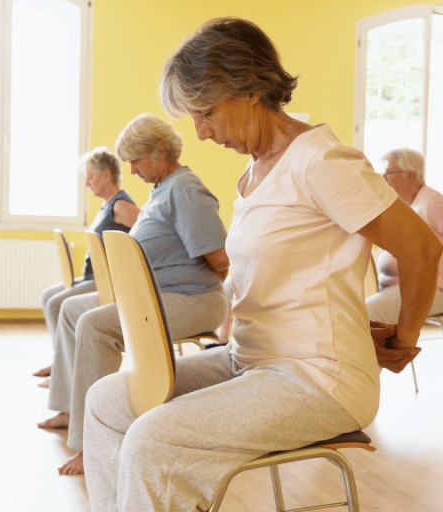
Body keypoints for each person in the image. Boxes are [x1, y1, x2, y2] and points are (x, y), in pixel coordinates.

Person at [82, 18, 442, 512]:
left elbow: (421, 247)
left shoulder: (322, 161)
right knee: (104, 402)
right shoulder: (252, 174)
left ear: (247, 88)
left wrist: (402, 339)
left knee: (154, 440)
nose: (202, 134)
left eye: (206, 113)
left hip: (317, 378)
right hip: (249, 360)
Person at [39, 113, 229, 475]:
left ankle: (90, 444)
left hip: (194, 299)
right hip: (162, 294)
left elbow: (220, 259)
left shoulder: (185, 189)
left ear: (159, 150)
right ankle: (71, 410)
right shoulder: (162, 189)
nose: (133, 169)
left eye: (136, 160)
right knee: (76, 312)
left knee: (95, 325)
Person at [34, 147, 139, 381]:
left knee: (57, 303)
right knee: (49, 298)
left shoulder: (121, 205)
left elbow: (145, 236)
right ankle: (62, 363)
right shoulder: (106, 204)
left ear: (106, 175)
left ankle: (65, 372)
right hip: (93, 276)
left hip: (107, 280)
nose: (87, 184)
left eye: (91, 177)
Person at [367, 148, 443, 323]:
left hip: (432, 289)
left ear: (410, 175)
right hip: (404, 287)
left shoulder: (432, 202)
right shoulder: (404, 204)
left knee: (368, 314)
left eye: (389, 172)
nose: (384, 178)